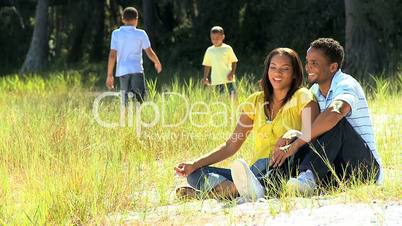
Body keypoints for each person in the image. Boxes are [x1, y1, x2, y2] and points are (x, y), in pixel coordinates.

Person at [174, 48, 319, 200]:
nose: (277, 73)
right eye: (273, 67)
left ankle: (212, 194)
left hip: (284, 166)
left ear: (295, 73)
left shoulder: (303, 96)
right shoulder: (255, 100)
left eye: (285, 69)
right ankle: (240, 189)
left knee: (262, 168)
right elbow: (231, 145)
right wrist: (194, 163)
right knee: (195, 174)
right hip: (254, 171)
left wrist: (292, 134)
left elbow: (312, 134)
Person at [274, 38, 383, 194]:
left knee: (334, 121)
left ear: (333, 67)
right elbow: (311, 134)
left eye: (314, 63)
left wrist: (297, 143)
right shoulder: (313, 92)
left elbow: (335, 112)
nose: (308, 67)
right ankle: (268, 182)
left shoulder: (346, 83)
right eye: (307, 62)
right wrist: (293, 136)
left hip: (364, 169)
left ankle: (308, 177)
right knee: (295, 139)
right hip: (335, 169)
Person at [106, 7, 162, 105]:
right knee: (139, 99)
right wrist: (157, 62)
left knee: (125, 101)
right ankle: (138, 119)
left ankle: (125, 119)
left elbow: (112, 56)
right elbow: (149, 52)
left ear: (123, 19)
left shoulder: (116, 34)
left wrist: (109, 75)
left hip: (122, 71)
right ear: (136, 19)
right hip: (136, 70)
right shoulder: (141, 34)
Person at [202, 26, 238, 100]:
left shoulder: (227, 48)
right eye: (213, 38)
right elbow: (207, 65)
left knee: (233, 100)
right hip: (216, 81)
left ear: (223, 37)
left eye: (217, 38)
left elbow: (234, 61)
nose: (215, 40)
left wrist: (232, 73)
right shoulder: (209, 50)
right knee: (220, 101)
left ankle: (234, 111)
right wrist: (205, 77)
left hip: (229, 80)